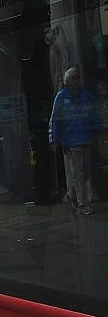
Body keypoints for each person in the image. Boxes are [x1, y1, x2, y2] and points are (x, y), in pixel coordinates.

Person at [50, 67, 102, 215]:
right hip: (71, 140)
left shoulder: (86, 96)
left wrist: (97, 132)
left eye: (78, 77)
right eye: (73, 77)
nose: (76, 80)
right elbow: (56, 120)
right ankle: (82, 203)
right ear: (67, 81)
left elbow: (94, 114)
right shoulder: (61, 97)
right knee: (78, 172)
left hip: (86, 138)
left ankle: (71, 193)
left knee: (86, 170)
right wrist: (55, 139)